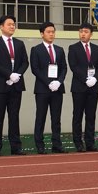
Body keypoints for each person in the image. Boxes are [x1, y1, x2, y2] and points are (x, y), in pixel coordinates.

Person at [0, 15, 29, 157]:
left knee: (14, 116)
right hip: (0, 85)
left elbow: (25, 62)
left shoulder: (19, 44)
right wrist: (9, 75)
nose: (12, 26)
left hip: (16, 85)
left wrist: (17, 75)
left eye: (13, 24)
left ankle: (16, 146)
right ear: (1, 26)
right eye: (9, 24)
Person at [30, 21, 67, 154]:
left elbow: (64, 68)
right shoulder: (36, 50)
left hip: (57, 89)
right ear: (42, 34)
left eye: (53, 32)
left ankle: (57, 144)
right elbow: (35, 69)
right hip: (42, 89)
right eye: (48, 32)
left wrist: (59, 82)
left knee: (56, 118)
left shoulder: (59, 50)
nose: (51, 34)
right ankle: (40, 145)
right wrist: (48, 82)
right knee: (41, 117)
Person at [68, 22, 98, 152]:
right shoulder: (73, 48)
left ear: (91, 34)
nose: (83, 34)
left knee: (91, 115)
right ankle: (78, 143)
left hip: (93, 86)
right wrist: (85, 79)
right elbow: (73, 66)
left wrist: (95, 78)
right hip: (79, 86)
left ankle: (90, 142)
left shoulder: (96, 49)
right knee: (77, 115)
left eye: (86, 32)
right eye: (81, 31)